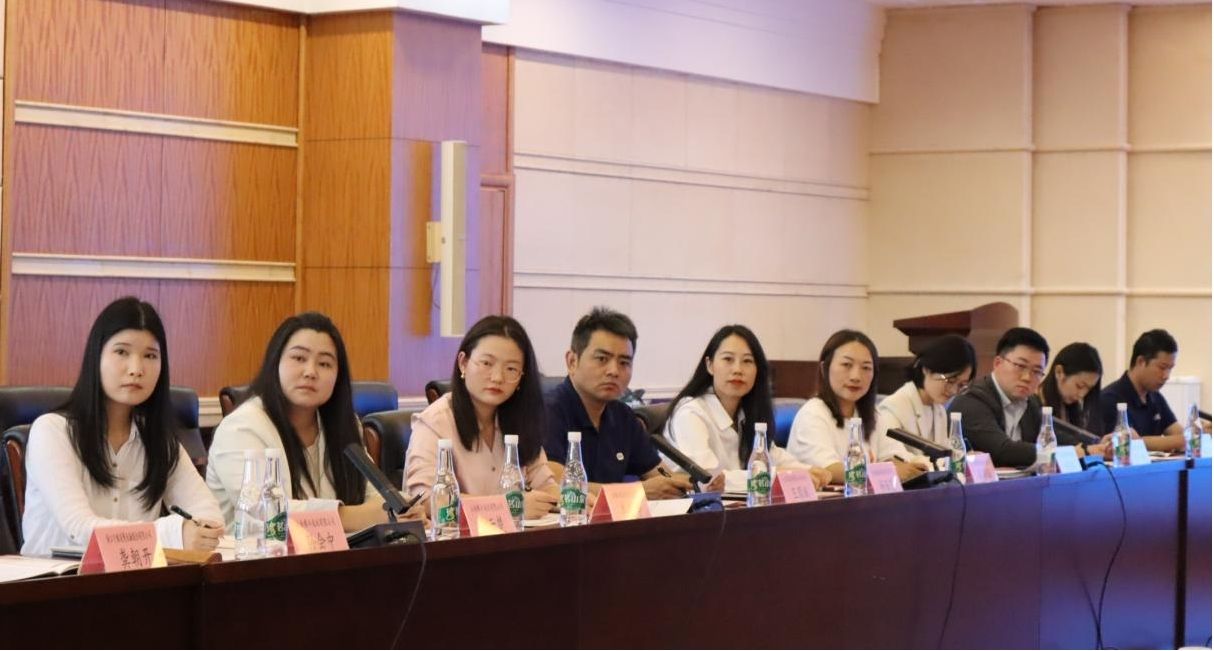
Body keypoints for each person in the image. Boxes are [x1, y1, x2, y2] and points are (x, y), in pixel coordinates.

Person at [21, 297, 222, 556]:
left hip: (132, 577)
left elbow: (210, 516)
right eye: (122, 352)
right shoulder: (51, 431)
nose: (136, 369)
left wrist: (200, 531)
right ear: (96, 356)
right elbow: (79, 529)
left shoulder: (159, 441)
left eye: (150, 356)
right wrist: (174, 533)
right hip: (54, 577)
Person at [208, 312, 421, 533]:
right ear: (275, 363)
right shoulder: (241, 427)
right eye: (299, 358)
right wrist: (362, 516)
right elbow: (267, 513)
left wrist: (402, 508)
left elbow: (373, 495)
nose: (310, 372)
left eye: (325, 364)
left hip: (333, 552)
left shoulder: (344, 424)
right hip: (256, 553)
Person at [405, 315, 559, 518]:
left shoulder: (519, 419)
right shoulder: (435, 422)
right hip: (455, 537)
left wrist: (576, 500)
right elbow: (426, 500)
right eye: (487, 363)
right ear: (463, 363)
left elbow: (545, 485)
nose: (497, 377)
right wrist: (506, 508)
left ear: (522, 377)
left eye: (511, 369)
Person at [543, 307, 692, 500]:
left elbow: (661, 475)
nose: (613, 371)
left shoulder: (623, 416)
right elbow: (555, 485)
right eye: (602, 359)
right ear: (572, 361)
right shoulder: (548, 411)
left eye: (624, 362)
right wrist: (635, 492)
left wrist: (694, 484)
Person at [663, 325, 831, 493]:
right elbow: (709, 480)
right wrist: (779, 475)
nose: (738, 369)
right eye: (728, 359)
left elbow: (772, 455)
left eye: (747, 361)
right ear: (710, 365)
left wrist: (809, 470)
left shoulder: (748, 414)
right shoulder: (690, 413)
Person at [787, 329, 926, 484]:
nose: (856, 376)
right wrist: (887, 471)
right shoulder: (813, 413)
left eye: (866, 368)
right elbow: (830, 471)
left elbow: (894, 455)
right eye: (846, 365)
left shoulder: (872, 415)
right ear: (824, 368)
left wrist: (911, 468)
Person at [949, 327, 1087, 467]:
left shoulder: (1031, 402)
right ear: (998, 363)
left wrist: (1088, 448)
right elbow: (1001, 450)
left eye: (1036, 371)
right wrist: (1059, 453)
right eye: (1020, 366)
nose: (1027, 377)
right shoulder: (971, 400)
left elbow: (1053, 437)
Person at [876, 334, 976, 450]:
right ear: (927, 369)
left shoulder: (939, 410)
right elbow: (894, 456)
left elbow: (943, 454)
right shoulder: (893, 408)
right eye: (950, 381)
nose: (953, 390)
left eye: (961, 385)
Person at [1099, 329, 1189, 451]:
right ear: (1141, 361)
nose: (1166, 376)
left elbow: (1178, 433)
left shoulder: (1155, 396)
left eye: (1170, 369)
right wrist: (1188, 438)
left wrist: (1198, 433)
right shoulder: (1110, 399)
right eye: (1162, 367)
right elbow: (1127, 442)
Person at [1039, 342, 1105, 436]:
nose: (1082, 395)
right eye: (1079, 386)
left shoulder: (1072, 409)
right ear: (1059, 372)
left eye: (1089, 389)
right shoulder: (1033, 405)